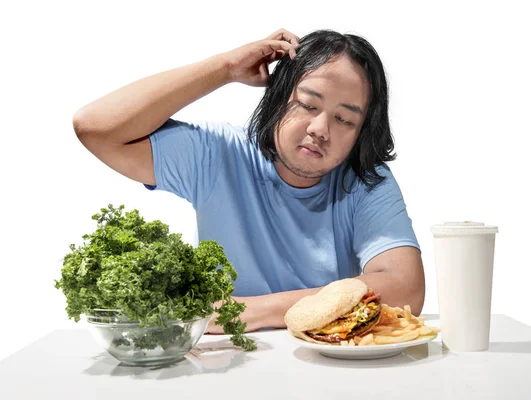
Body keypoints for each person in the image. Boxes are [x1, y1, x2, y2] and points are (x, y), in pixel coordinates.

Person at [73, 28, 425, 333]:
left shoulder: (366, 181)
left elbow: (405, 287)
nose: (320, 129)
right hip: (226, 363)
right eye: (307, 104)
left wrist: (247, 311)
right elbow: (97, 128)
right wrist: (225, 68)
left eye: (345, 120)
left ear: (362, 133)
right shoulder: (218, 154)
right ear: (278, 96)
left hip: (326, 361)